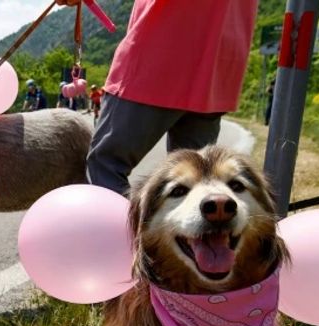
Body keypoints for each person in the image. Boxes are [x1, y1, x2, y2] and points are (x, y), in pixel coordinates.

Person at [56, 0, 259, 195]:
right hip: (220, 55)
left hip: (162, 48)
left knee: (106, 164)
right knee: (193, 181)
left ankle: (120, 230)